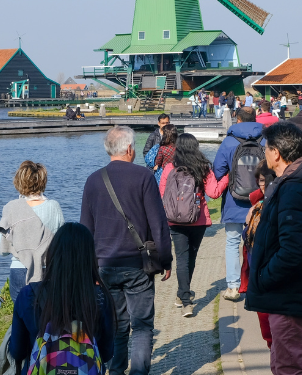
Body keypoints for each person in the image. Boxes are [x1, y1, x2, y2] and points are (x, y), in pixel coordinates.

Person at [80, 126, 173, 375]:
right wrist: (165, 260)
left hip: (104, 265)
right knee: (142, 326)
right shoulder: (143, 177)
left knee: (118, 325)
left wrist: (90, 271)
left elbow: (85, 229)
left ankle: (116, 370)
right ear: (130, 149)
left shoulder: (93, 180)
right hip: (138, 264)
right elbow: (158, 223)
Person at [246, 121, 302, 375]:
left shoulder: (293, 188)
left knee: (289, 366)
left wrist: (264, 277)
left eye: (266, 148)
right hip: (294, 292)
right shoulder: (298, 182)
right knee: (285, 362)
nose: (264, 153)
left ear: (276, 152)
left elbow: (294, 250)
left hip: (289, 294)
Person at [9, 222, 116, 373]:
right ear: (89, 258)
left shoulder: (29, 294)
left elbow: (17, 352)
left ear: (53, 254)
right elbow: (106, 353)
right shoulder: (100, 297)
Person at [158, 133, 229, 316]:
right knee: (191, 258)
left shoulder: (169, 168)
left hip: (174, 219)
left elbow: (162, 194)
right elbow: (213, 193)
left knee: (181, 258)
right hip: (197, 220)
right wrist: (227, 178)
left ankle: (184, 298)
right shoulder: (202, 167)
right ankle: (184, 297)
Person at [213, 105, 262, 302]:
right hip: (259, 202)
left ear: (238, 119)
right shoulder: (265, 140)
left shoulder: (229, 142)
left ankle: (233, 288)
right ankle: (258, 285)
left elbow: (218, 171)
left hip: (235, 201)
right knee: (259, 244)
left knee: (233, 243)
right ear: (255, 118)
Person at [0, 161, 65, 301]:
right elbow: (62, 244)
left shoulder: (11, 208)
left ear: (18, 181)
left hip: (18, 269)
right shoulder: (54, 207)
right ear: (43, 181)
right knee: (47, 316)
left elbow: (2, 250)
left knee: (22, 318)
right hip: (47, 270)